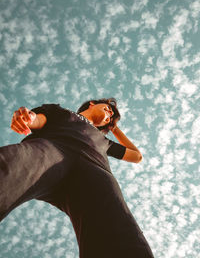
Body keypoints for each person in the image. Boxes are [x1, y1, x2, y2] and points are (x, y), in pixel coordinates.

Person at [0, 98, 154, 258]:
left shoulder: (105, 141)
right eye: (108, 109)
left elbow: (137, 156)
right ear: (92, 104)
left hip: (94, 172)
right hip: (51, 151)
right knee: (10, 166)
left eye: (111, 117)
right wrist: (29, 119)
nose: (109, 114)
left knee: (118, 231)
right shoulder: (62, 112)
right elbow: (38, 120)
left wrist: (114, 128)